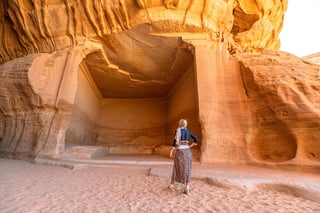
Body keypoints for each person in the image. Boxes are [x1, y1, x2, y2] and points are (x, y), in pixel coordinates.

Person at [168, 119, 199, 195]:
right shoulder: (188, 132)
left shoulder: (177, 131)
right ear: (185, 124)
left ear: (179, 124)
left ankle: (171, 185)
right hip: (187, 152)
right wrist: (190, 146)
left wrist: (171, 151)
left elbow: (175, 142)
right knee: (187, 168)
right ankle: (187, 187)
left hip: (180, 152)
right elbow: (196, 139)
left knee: (176, 167)